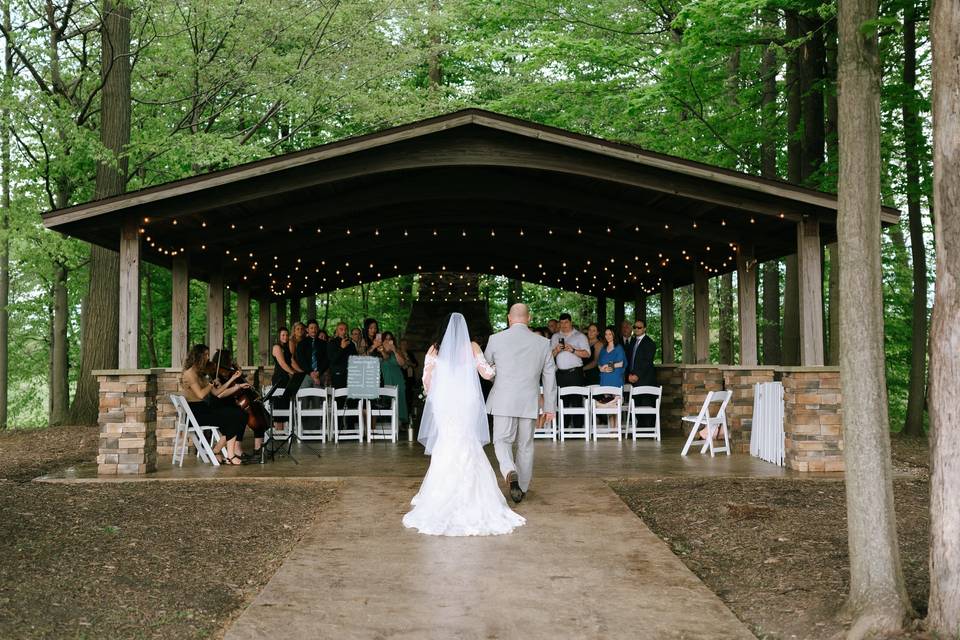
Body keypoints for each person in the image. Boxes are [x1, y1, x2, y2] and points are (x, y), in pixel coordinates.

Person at [403, 313, 524, 536]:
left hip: (444, 404)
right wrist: (499, 367)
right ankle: (472, 495)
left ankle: (440, 493)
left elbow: (427, 382)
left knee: (447, 442)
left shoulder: (434, 349)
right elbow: (487, 373)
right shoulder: (472, 346)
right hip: (466, 402)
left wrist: (436, 393)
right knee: (466, 441)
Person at [485, 303, 557, 503]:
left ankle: (509, 470)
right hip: (529, 400)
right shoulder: (542, 343)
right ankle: (522, 488)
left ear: (509, 318)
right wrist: (549, 407)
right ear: (529, 318)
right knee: (525, 445)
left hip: (503, 399)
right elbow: (550, 376)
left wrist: (498, 380)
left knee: (501, 440)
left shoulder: (495, 339)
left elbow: (486, 369)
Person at [181, 344, 250, 465]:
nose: (208, 357)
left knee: (239, 414)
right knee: (236, 415)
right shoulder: (190, 374)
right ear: (199, 356)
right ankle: (230, 455)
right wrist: (211, 384)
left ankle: (226, 454)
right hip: (196, 414)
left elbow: (217, 392)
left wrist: (232, 379)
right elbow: (201, 395)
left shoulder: (200, 373)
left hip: (204, 409)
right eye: (206, 354)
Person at [550, 313, 591, 427]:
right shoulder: (555, 337)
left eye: (566, 322)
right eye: (561, 323)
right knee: (562, 401)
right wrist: (557, 350)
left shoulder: (580, 336)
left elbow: (587, 354)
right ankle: (562, 429)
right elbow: (549, 356)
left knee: (577, 401)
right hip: (560, 374)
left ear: (571, 322)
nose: (564, 325)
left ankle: (578, 430)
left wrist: (572, 350)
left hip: (575, 373)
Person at [626, 319, 657, 430]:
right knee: (637, 404)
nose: (637, 329)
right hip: (633, 380)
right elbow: (629, 360)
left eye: (639, 327)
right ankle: (640, 429)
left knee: (646, 405)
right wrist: (628, 375)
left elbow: (647, 362)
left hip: (645, 380)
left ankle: (649, 431)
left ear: (644, 328)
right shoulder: (633, 342)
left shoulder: (650, 343)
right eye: (635, 327)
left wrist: (637, 375)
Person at [376, 331, 408, 424]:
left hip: (398, 379)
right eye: (386, 339)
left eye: (390, 339)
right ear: (382, 340)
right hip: (385, 379)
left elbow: (402, 363)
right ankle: (387, 422)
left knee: (399, 401)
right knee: (386, 400)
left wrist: (394, 350)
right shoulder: (379, 350)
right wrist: (382, 350)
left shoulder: (397, 350)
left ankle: (399, 423)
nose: (388, 341)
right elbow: (383, 359)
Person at [597, 327, 627, 428]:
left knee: (615, 405)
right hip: (605, 379)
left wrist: (610, 366)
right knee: (609, 404)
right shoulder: (603, 349)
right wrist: (601, 368)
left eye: (610, 334)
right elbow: (599, 363)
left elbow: (621, 363)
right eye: (606, 334)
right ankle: (611, 429)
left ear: (614, 335)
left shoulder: (619, 348)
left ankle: (616, 430)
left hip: (615, 378)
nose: (608, 336)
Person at [269, 327, 296, 429]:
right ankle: (278, 432)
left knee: (285, 403)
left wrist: (299, 372)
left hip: (286, 379)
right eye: (283, 335)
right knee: (279, 404)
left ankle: (285, 432)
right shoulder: (276, 347)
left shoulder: (287, 347)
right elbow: (282, 363)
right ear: (279, 336)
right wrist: (292, 373)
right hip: (279, 378)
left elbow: (291, 361)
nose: (285, 337)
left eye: (286, 335)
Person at [327, 321, 357, 389]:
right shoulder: (332, 343)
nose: (344, 331)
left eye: (345, 329)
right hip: (338, 374)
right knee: (339, 397)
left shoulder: (351, 343)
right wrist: (342, 348)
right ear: (337, 331)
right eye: (341, 329)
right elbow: (332, 360)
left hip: (350, 374)